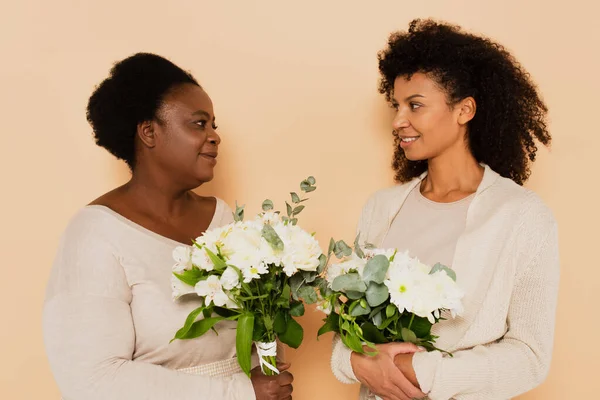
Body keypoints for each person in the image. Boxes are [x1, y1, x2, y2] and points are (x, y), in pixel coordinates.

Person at [42, 53, 293, 400]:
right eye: (198, 124)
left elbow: (260, 336)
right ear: (149, 132)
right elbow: (93, 382)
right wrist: (239, 393)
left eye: (214, 125)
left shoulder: (226, 222)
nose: (215, 137)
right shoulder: (95, 236)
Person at [331, 19, 559, 400]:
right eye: (396, 105)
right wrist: (354, 363)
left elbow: (530, 356)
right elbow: (347, 329)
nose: (398, 121)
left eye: (415, 105)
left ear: (464, 110)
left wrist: (418, 371)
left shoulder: (522, 215)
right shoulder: (381, 207)